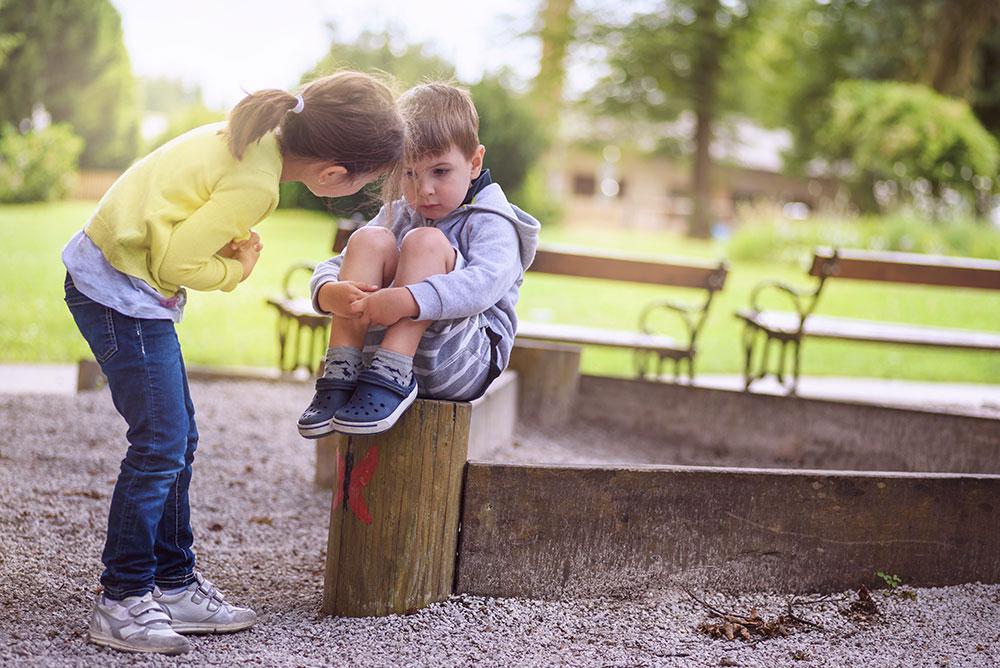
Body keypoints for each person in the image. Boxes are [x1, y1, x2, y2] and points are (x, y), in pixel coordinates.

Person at [62, 71, 404, 655]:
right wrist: (236, 271)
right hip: (121, 296)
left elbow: (172, 216)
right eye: (364, 183)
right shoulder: (258, 184)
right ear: (331, 174)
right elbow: (172, 264)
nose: (362, 193)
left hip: (113, 276)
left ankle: (172, 583)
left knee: (177, 439)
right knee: (160, 443)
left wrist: (207, 246)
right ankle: (122, 598)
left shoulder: (250, 136)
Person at [297, 82, 539, 439]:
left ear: (474, 163)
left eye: (440, 172)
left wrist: (410, 299)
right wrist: (327, 291)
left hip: (461, 361)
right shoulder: (400, 211)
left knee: (424, 242)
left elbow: (484, 284)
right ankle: (341, 369)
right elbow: (341, 261)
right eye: (409, 173)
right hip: (373, 366)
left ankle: (392, 372)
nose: (423, 189)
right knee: (368, 238)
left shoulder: (493, 220)